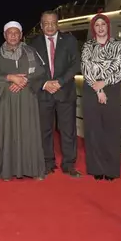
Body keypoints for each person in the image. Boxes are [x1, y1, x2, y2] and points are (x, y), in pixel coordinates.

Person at [0, 21, 46, 181]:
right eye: (10, 33)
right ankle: (7, 170)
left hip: (27, 99)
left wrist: (24, 80)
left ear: (21, 35)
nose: (13, 36)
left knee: (29, 132)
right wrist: (9, 77)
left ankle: (33, 169)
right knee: (7, 133)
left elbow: (41, 71)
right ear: (5, 35)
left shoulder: (31, 51)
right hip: (6, 100)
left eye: (16, 33)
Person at [31, 10, 81, 177]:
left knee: (68, 130)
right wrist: (44, 83)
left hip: (65, 91)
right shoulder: (33, 43)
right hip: (43, 93)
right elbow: (31, 69)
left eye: (53, 23)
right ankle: (47, 162)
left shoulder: (69, 40)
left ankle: (69, 164)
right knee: (44, 130)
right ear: (41, 25)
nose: (50, 26)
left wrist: (59, 82)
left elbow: (75, 64)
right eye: (46, 23)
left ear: (57, 24)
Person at [81, 13, 121, 181]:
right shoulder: (87, 46)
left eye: (103, 24)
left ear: (108, 26)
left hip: (113, 90)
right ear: (93, 28)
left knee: (111, 131)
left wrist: (104, 82)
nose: (100, 28)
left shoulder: (118, 45)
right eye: (97, 25)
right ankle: (96, 168)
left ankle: (111, 169)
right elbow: (86, 69)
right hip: (91, 90)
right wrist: (98, 89)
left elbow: (120, 69)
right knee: (93, 130)